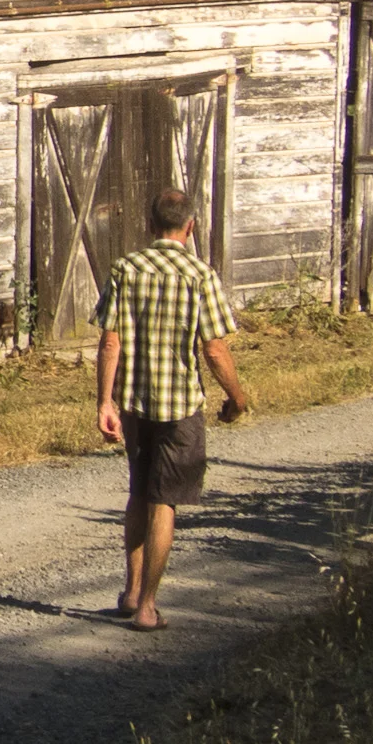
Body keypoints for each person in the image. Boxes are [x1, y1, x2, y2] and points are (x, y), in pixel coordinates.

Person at [94, 187, 252, 631]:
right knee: (166, 503)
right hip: (181, 406)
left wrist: (105, 402)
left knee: (139, 492)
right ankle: (147, 606)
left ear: (150, 224)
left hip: (134, 403)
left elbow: (110, 340)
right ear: (191, 226)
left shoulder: (126, 269)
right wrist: (237, 398)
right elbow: (215, 349)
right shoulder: (200, 275)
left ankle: (129, 591)